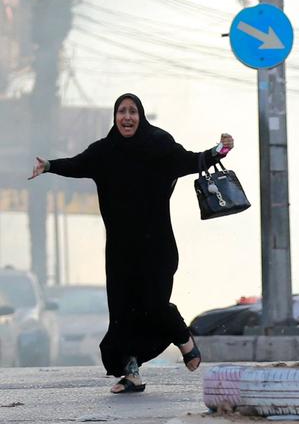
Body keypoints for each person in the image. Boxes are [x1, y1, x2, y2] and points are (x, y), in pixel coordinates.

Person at [29, 93, 234, 394]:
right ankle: (131, 373)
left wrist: (219, 150)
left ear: (141, 116)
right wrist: (48, 165)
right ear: (115, 117)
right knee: (123, 315)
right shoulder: (104, 152)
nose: (127, 117)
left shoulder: (158, 145)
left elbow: (190, 160)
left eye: (132, 111)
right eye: (122, 112)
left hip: (157, 248)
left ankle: (184, 339)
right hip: (121, 252)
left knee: (153, 305)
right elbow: (77, 164)